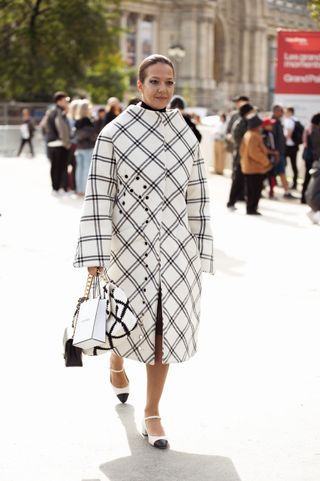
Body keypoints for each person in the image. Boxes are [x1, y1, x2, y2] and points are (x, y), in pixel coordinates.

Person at [74, 54, 214, 449]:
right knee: (128, 323)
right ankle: (116, 361)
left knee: (163, 330)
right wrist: (96, 252)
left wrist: (200, 250)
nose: (162, 89)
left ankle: (152, 412)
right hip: (128, 247)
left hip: (175, 250)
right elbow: (99, 195)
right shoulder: (114, 133)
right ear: (139, 86)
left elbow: (198, 197)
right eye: (154, 81)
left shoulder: (186, 134)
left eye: (169, 82)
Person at [240, 115, 273, 215]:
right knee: (255, 190)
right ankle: (252, 208)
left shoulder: (249, 134)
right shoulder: (253, 135)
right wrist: (266, 162)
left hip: (249, 166)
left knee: (251, 189)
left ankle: (251, 208)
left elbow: (242, 150)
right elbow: (254, 152)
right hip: (255, 167)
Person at [226, 103, 255, 211]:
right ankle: (231, 202)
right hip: (241, 157)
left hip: (247, 157)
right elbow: (237, 140)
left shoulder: (249, 122)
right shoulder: (240, 124)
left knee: (246, 181)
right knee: (237, 180)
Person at [47, 91, 71, 195]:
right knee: (59, 166)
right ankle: (58, 188)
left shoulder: (52, 112)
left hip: (54, 143)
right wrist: (66, 142)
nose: (66, 103)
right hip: (59, 143)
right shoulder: (58, 112)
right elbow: (61, 128)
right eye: (65, 101)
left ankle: (56, 188)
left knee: (56, 166)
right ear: (59, 101)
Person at [74, 100, 97, 196]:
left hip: (79, 147)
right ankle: (84, 191)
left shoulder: (77, 121)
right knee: (86, 169)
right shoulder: (88, 121)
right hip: (88, 147)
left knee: (79, 169)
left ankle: (79, 190)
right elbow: (91, 135)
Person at [301, 113, 320, 204]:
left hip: (307, 156)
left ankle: (304, 197)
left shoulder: (308, 128)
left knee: (307, 177)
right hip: (312, 158)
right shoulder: (315, 130)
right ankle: (306, 198)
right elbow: (316, 147)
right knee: (310, 178)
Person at [284, 107, 301, 190]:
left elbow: (289, 134)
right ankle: (294, 182)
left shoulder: (289, 121)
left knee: (283, 164)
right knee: (293, 164)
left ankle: (287, 182)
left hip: (289, 146)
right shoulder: (295, 120)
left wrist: (284, 142)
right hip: (294, 146)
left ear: (290, 112)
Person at [261, 117, 278, 198]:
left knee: (271, 175)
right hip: (264, 158)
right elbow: (264, 148)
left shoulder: (270, 134)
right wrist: (273, 153)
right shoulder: (262, 135)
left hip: (270, 158)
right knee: (262, 176)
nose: (272, 125)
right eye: (270, 124)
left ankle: (271, 192)